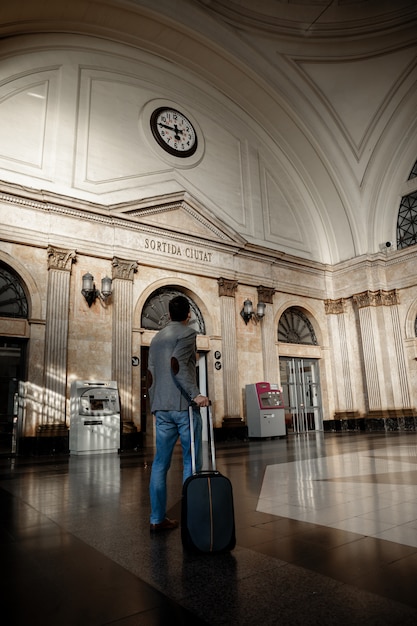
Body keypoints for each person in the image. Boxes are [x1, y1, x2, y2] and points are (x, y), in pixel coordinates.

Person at [148, 294, 209, 532]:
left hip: (161, 407)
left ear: (169, 314)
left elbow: (151, 374)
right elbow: (179, 365)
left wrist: (155, 403)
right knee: (191, 462)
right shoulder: (187, 333)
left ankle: (156, 518)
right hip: (183, 406)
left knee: (160, 464)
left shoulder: (156, 338)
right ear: (188, 315)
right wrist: (196, 395)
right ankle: (191, 517)